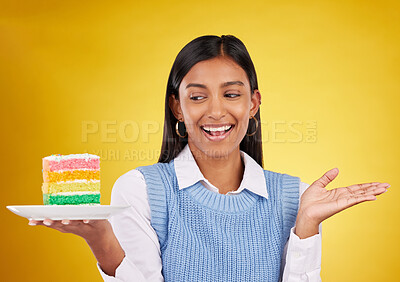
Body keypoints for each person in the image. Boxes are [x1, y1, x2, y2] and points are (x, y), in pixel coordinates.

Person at [29, 35, 390, 282]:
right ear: (177, 108)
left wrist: (306, 226)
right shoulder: (140, 190)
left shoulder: (297, 198)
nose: (216, 112)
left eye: (231, 94)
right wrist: (103, 242)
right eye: (198, 97)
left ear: (253, 104)